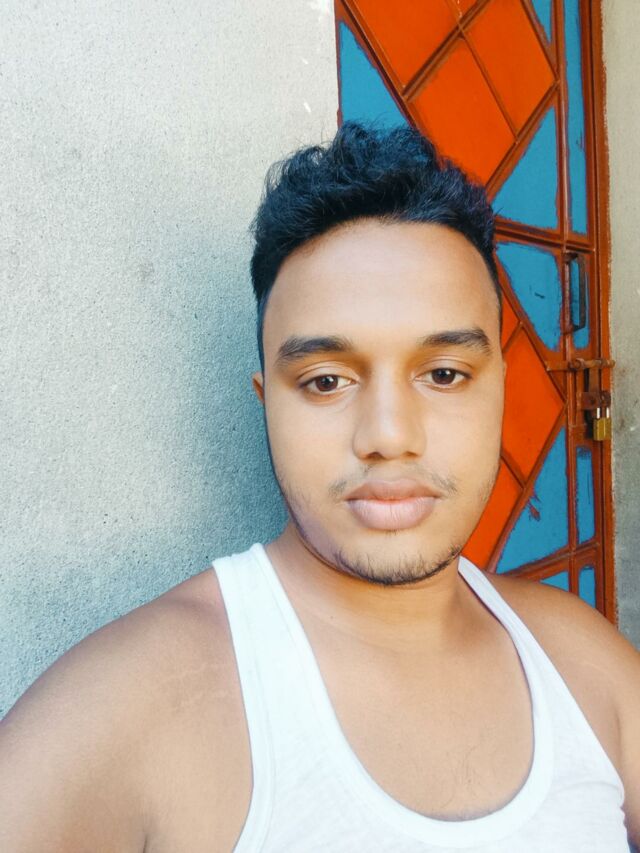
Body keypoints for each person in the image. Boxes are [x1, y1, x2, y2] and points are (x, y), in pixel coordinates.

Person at [1, 123, 638, 852]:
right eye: (327, 381)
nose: (389, 434)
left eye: (444, 374)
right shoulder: (136, 703)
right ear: (265, 400)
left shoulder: (581, 664)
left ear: (501, 388)